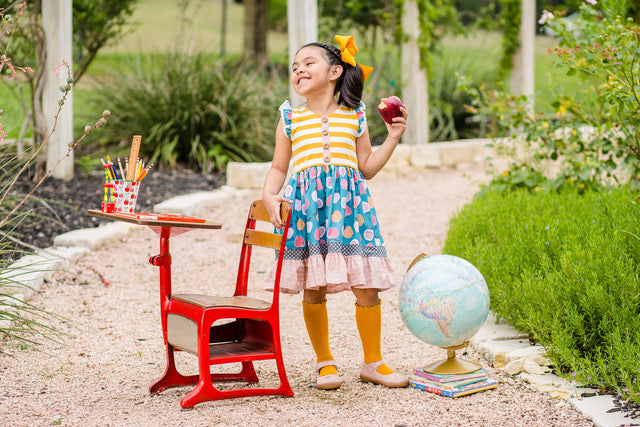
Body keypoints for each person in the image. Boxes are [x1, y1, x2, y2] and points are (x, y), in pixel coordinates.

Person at [262, 35, 408, 390]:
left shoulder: (354, 116)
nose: (299, 70)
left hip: (351, 214)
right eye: (295, 67)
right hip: (307, 213)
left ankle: (373, 362)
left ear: (335, 72)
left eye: (308, 63)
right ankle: (324, 362)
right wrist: (268, 193)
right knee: (314, 286)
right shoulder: (290, 119)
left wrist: (392, 137)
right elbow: (280, 168)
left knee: (367, 287)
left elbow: (367, 167)